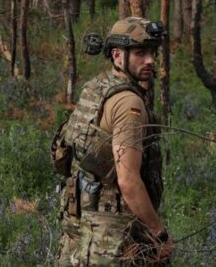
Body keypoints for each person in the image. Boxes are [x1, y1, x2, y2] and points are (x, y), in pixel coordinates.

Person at [54, 17, 174, 265]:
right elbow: (128, 180)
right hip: (113, 236)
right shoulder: (130, 104)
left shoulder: (95, 88)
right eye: (141, 53)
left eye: (152, 52)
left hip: (80, 227)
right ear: (118, 55)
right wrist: (158, 233)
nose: (150, 60)